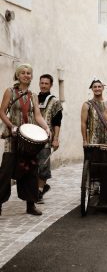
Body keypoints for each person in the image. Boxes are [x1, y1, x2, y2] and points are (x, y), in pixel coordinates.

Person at [0, 64, 51, 216]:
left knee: (30, 171)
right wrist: (11, 126)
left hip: (28, 139)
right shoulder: (10, 91)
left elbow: (37, 116)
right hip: (13, 137)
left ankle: (31, 205)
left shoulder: (33, 95)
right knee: (5, 172)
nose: (26, 75)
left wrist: (46, 128)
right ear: (18, 75)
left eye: (29, 73)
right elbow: (1, 112)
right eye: (22, 73)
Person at [36, 74, 63, 202]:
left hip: (46, 139)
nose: (44, 85)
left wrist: (56, 139)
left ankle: (39, 191)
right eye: (42, 83)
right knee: (31, 166)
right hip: (32, 138)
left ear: (51, 85)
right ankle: (39, 188)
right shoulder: (33, 99)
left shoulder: (55, 102)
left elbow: (57, 122)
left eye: (46, 83)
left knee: (43, 166)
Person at [81, 79, 107, 145]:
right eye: (95, 87)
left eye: (99, 86)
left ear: (103, 88)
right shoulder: (87, 104)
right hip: (93, 140)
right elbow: (83, 123)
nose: (97, 89)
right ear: (92, 89)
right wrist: (84, 140)